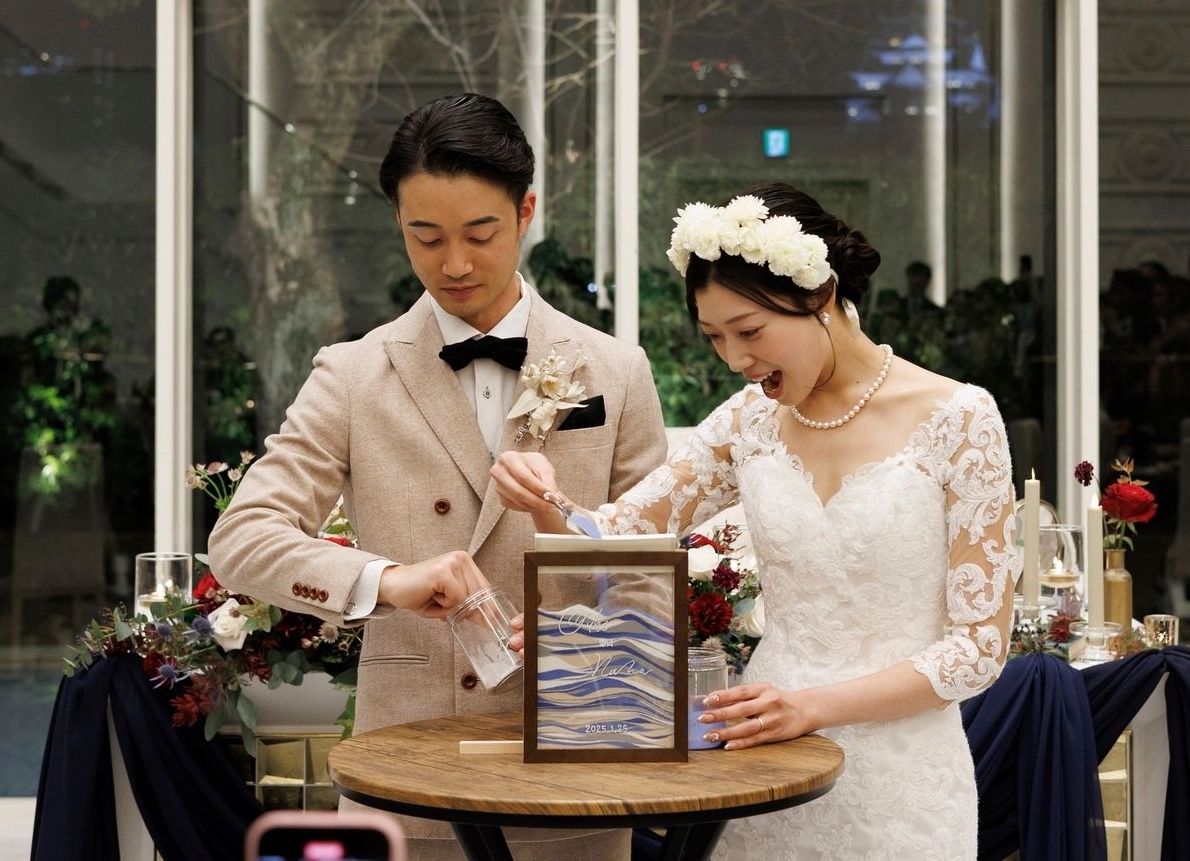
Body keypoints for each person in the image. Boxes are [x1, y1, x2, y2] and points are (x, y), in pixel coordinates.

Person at [493, 182, 1019, 861]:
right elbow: (618, 535)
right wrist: (545, 499)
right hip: (760, 762)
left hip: (903, 781)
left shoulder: (960, 419)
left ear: (821, 296)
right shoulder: (748, 422)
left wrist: (813, 707)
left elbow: (978, 649)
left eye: (749, 332)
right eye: (715, 337)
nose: (736, 360)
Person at [209, 93, 668, 861]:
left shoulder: (616, 370)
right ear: (399, 223)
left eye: (480, 234)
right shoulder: (352, 374)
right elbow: (242, 540)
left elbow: (653, 577)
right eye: (426, 237)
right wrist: (387, 580)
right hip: (408, 780)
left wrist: (577, 605)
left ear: (526, 212)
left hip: (576, 768)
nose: (454, 263)